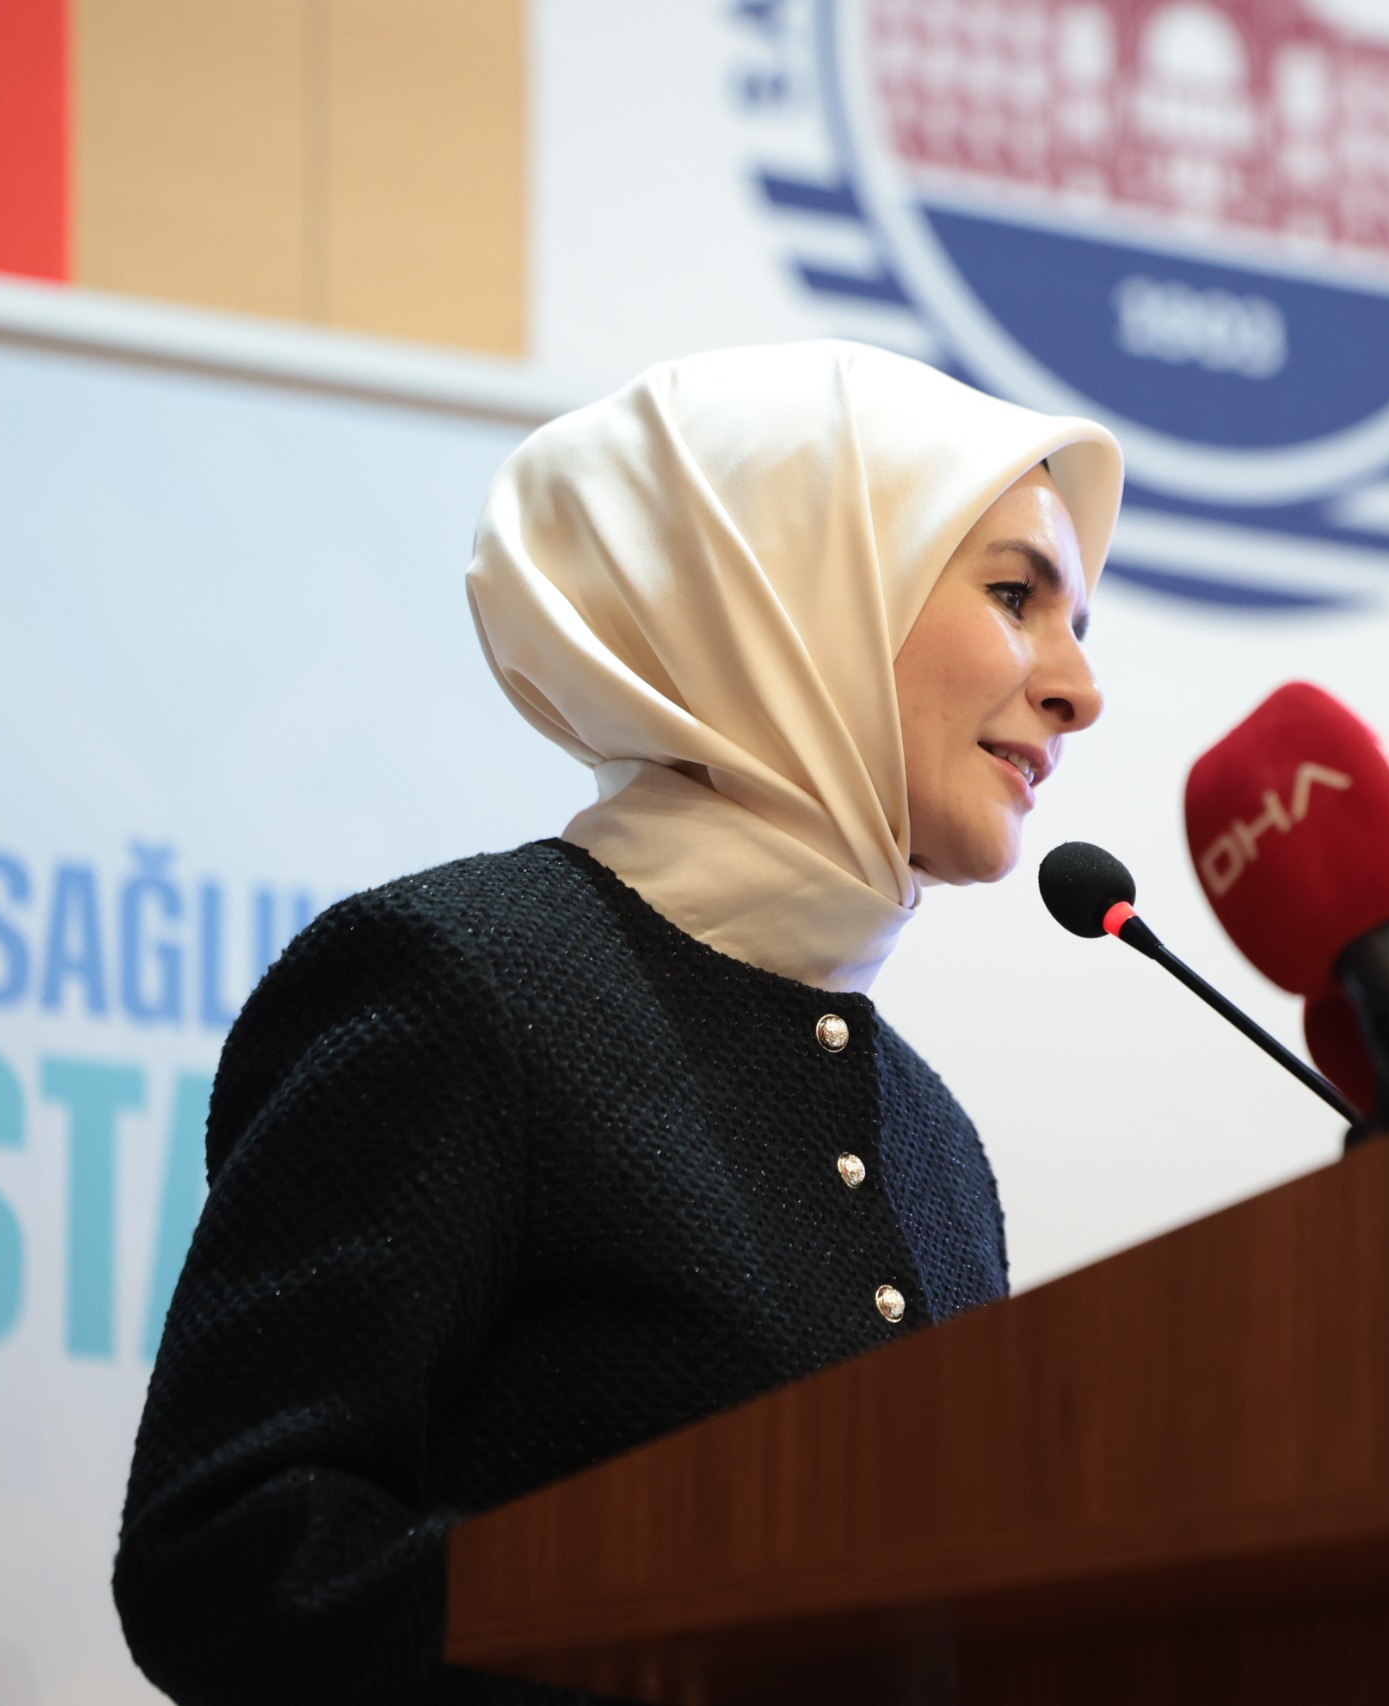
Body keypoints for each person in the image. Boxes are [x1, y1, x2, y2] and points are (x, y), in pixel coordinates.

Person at [110, 342, 1123, 1704]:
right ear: (802, 589)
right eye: (1014, 595)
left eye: (1081, 624)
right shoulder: (463, 983)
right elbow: (234, 1560)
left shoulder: (937, 1144)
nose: (1079, 688)